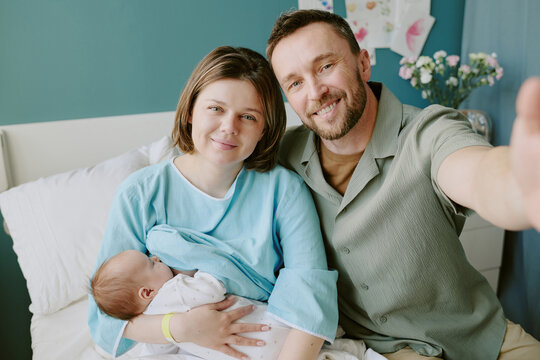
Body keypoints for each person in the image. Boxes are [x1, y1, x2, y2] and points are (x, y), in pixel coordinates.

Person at [266, 9, 540, 360]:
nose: (315, 91)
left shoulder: (427, 131)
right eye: (295, 83)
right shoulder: (284, 158)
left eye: (325, 67)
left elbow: (479, 173)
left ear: (363, 64)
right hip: (388, 350)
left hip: (482, 336)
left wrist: (520, 184)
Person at [88, 46, 339, 360]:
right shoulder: (140, 193)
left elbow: (309, 297)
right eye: (216, 109)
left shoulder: (283, 189)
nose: (229, 127)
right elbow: (108, 318)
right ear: (191, 110)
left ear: (264, 129)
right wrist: (182, 328)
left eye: (248, 117)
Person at [91, 244, 291, 359]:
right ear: (147, 292)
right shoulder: (174, 291)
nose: (156, 258)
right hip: (269, 329)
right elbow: (213, 288)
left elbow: (162, 350)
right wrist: (200, 266)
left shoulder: (153, 324)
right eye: (150, 263)